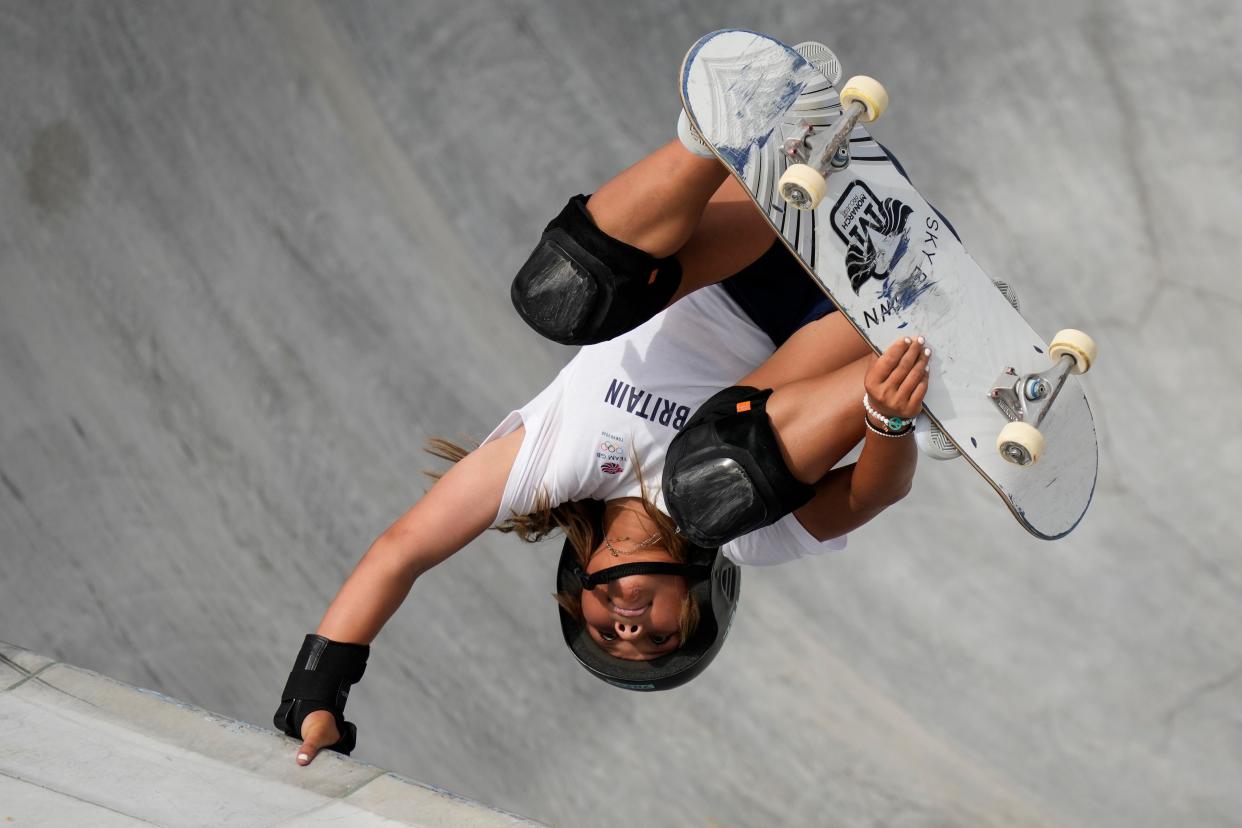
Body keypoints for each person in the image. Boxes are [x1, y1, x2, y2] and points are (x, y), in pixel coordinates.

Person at [274, 44, 932, 764]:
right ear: (699, 601)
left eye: (609, 632)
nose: (628, 626)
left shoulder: (554, 466)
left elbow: (399, 552)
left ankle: (719, 131)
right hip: (848, 307)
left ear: (577, 591)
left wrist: (317, 695)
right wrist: (890, 421)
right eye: (658, 636)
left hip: (747, 228)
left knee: (561, 296)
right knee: (717, 482)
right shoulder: (749, 537)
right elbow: (871, 494)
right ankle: (930, 342)